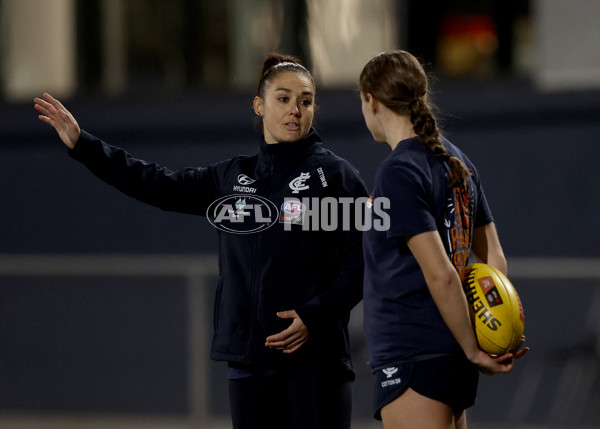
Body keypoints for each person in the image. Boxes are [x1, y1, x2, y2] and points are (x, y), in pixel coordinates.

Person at [34, 53, 367, 429]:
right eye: (283, 98)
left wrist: (316, 314)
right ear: (259, 105)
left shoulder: (335, 177)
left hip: (314, 362)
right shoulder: (231, 177)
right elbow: (157, 183)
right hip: (248, 363)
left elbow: (363, 259)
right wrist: (84, 145)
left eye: (305, 101)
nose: (295, 110)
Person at [358, 50, 529, 429]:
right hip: (447, 355)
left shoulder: (398, 172)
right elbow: (493, 263)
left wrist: (473, 348)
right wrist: (482, 337)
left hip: (413, 355)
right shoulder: (456, 161)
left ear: (371, 100)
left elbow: (442, 275)